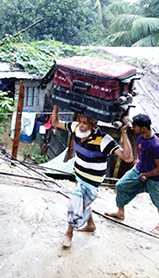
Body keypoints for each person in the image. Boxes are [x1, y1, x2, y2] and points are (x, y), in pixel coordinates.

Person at [51, 105, 133, 247]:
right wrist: (56, 105)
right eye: (81, 121)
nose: (81, 126)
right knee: (84, 202)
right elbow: (55, 123)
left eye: (85, 123)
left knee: (77, 202)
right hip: (79, 174)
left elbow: (127, 158)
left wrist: (124, 133)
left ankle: (69, 233)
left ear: (94, 125)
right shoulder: (76, 128)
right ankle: (91, 225)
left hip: (92, 181)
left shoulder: (103, 140)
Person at [106, 113, 159, 235]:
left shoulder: (157, 145)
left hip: (154, 177)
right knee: (121, 185)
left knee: (157, 201)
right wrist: (136, 158)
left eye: (135, 126)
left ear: (143, 128)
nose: (132, 128)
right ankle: (120, 212)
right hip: (139, 169)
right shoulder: (140, 137)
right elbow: (138, 148)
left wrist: (146, 175)